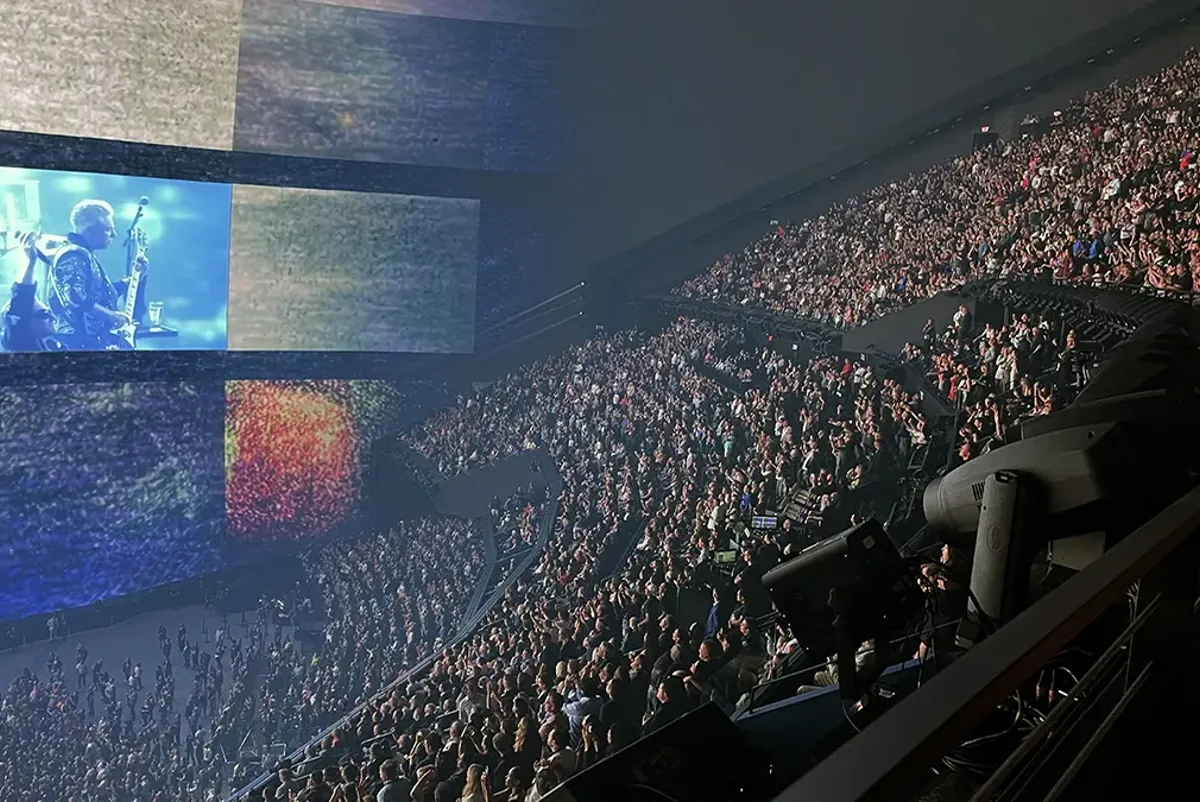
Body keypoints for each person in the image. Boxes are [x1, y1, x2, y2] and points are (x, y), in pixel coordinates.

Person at [47, 198, 147, 350]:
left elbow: (99, 295)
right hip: (76, 344)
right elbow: (75, 297)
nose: (113, 234)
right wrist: (111, 316)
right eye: (108, 229)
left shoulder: (84, 254)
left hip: (88, 342)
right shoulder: (73, 255)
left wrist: (136, 277)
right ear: (89, 229)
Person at [1, 231, 63, 352]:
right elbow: (22, 301)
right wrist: (30, 262)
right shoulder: (17, 342)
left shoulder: (53, 344)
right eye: (44, 314)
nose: (52, 318)